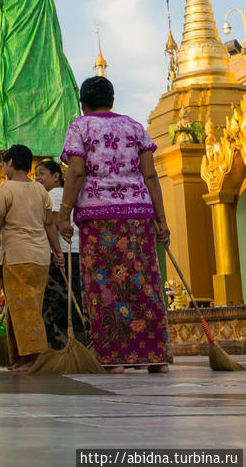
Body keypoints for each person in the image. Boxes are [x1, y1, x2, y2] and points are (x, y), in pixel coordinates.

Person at [57, 76, 171, 373]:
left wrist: (63, 211)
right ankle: (155, 356)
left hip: (99, 217)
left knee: (104, 286)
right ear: (112, 100)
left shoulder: (79, 126)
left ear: (83, 104)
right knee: (143, 284)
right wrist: (162, 220)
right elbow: (150, 176)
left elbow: (76, 173)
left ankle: (114, 358)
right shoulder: (134, 126)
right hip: (138, 216)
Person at [0, 144, 64, 372]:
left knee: (24, 309)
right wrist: (58, 251)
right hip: (40, 257)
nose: (4, 167)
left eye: (4, 163)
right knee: (19, 308)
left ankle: (34, 358)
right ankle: (22, 357)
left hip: (17, 257)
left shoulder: (5, 189)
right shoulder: (40, 191)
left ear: (11, 163)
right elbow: (49, 225)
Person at [35, 159, 90, 350]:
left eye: (42, 173)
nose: (37, 178)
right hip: (74, 252)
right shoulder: (65, 194)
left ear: (56, 176)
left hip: (63, 253)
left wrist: (57, 252)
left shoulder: (55, 194)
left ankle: (63, 346)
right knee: (71, 299)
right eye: (36, 174)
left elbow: (55, 224)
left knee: (59, 303)